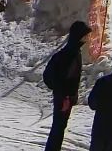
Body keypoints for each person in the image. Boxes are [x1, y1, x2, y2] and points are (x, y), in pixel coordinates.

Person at [43, 20, 91, 151]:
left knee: (58, 127)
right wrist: (66, 98)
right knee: (58, 128)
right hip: (64, 99)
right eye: (85, 35)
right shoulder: (71, 54)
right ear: (79, 35)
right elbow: (66, 79)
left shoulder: (72, 50)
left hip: (64, 97)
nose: (87, 38)